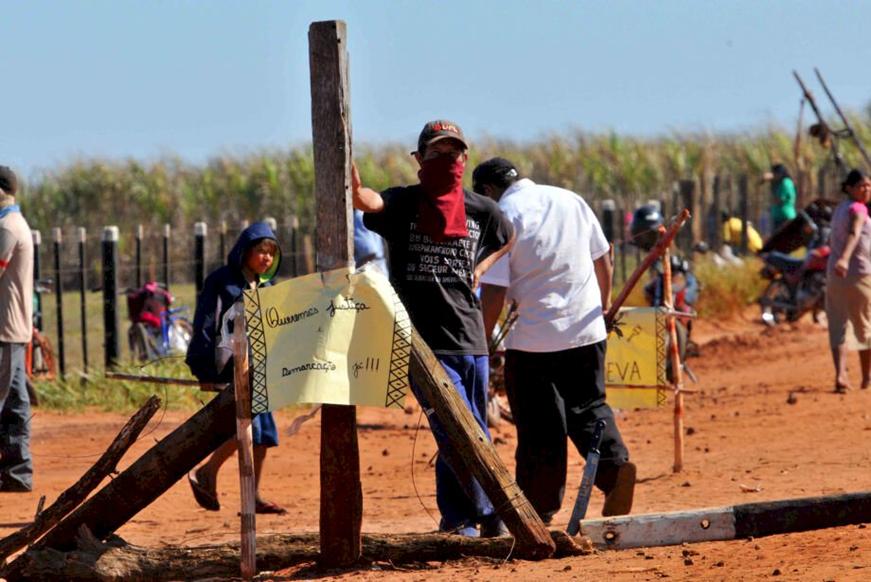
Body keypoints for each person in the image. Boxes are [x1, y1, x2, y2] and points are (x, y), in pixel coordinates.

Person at [352, 120, 514, 537]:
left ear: (465, 159)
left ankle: (458, 518)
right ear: (419, 159)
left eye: (454, 154)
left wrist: (481, 268)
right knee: (454, 427)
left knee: (473, 428)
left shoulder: (482, 209)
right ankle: (494, 510)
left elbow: (508, 237)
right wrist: (353, 186)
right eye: (437, 153)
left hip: (472, 338)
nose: (447, 160)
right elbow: (371, 202)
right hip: (424, 345)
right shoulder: (404, 203)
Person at [474, 157, 635, 523]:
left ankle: (539, 508)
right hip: (587, 330)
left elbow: (494, 291)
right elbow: (603, 258)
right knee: (589, 406)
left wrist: (482, 341)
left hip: (534, 341)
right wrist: (604, 306)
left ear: (487, 191)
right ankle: (615, 469)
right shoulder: (570, 199)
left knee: (540, 426)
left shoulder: (502, 216)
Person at [186, 222, 287, 514]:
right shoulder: (222, 281)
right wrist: (204, 368)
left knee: (264, 435)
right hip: (229, 366)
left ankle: (252, 497)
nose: (267, 258)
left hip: (260, 370)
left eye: (271, 253)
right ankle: (207, 472)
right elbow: (204, 323)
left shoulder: (266, 286)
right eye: (261, 251)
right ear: (245, 251)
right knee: (244, 426)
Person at [0, 166, 34, 493]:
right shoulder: (15, 222)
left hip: (4, 330)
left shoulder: (7, 227)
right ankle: (16, 472)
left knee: (7, 403)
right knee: (14, 404)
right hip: (13, 328)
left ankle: (17, 472)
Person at [825, 169, 871, 393]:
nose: (867, 189)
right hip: (858, 274)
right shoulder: (859, 209)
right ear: (850, 188)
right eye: (862, 186)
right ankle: (866, 377)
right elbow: (854, 232)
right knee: (864, 326)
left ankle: (841, 374)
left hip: (834, 276)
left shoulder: (839, 209)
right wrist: (844, 258)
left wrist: (838, 260)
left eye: (869, 185)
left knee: (838, 325)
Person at [767, 164, 798, 232]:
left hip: (784, 217)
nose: (774, 176)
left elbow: (780, 200)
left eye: (775, 174)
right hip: (778, 218)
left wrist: (771, 202)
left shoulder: (785, 183)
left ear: (780, 173)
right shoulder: (779, 183)